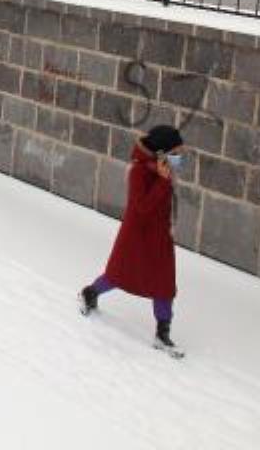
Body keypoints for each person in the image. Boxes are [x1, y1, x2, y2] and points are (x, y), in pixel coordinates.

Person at [79, 124, 186, 356]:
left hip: (159, 239)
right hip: (137, 237)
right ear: (161, 152)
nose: (180, 158)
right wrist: (162, 181)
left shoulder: (162, 170)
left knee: (163, 285)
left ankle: (163, 331)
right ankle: (90, 292)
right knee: (118, 275)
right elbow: (141, 207)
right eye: (176, 153)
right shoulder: (139, 172)